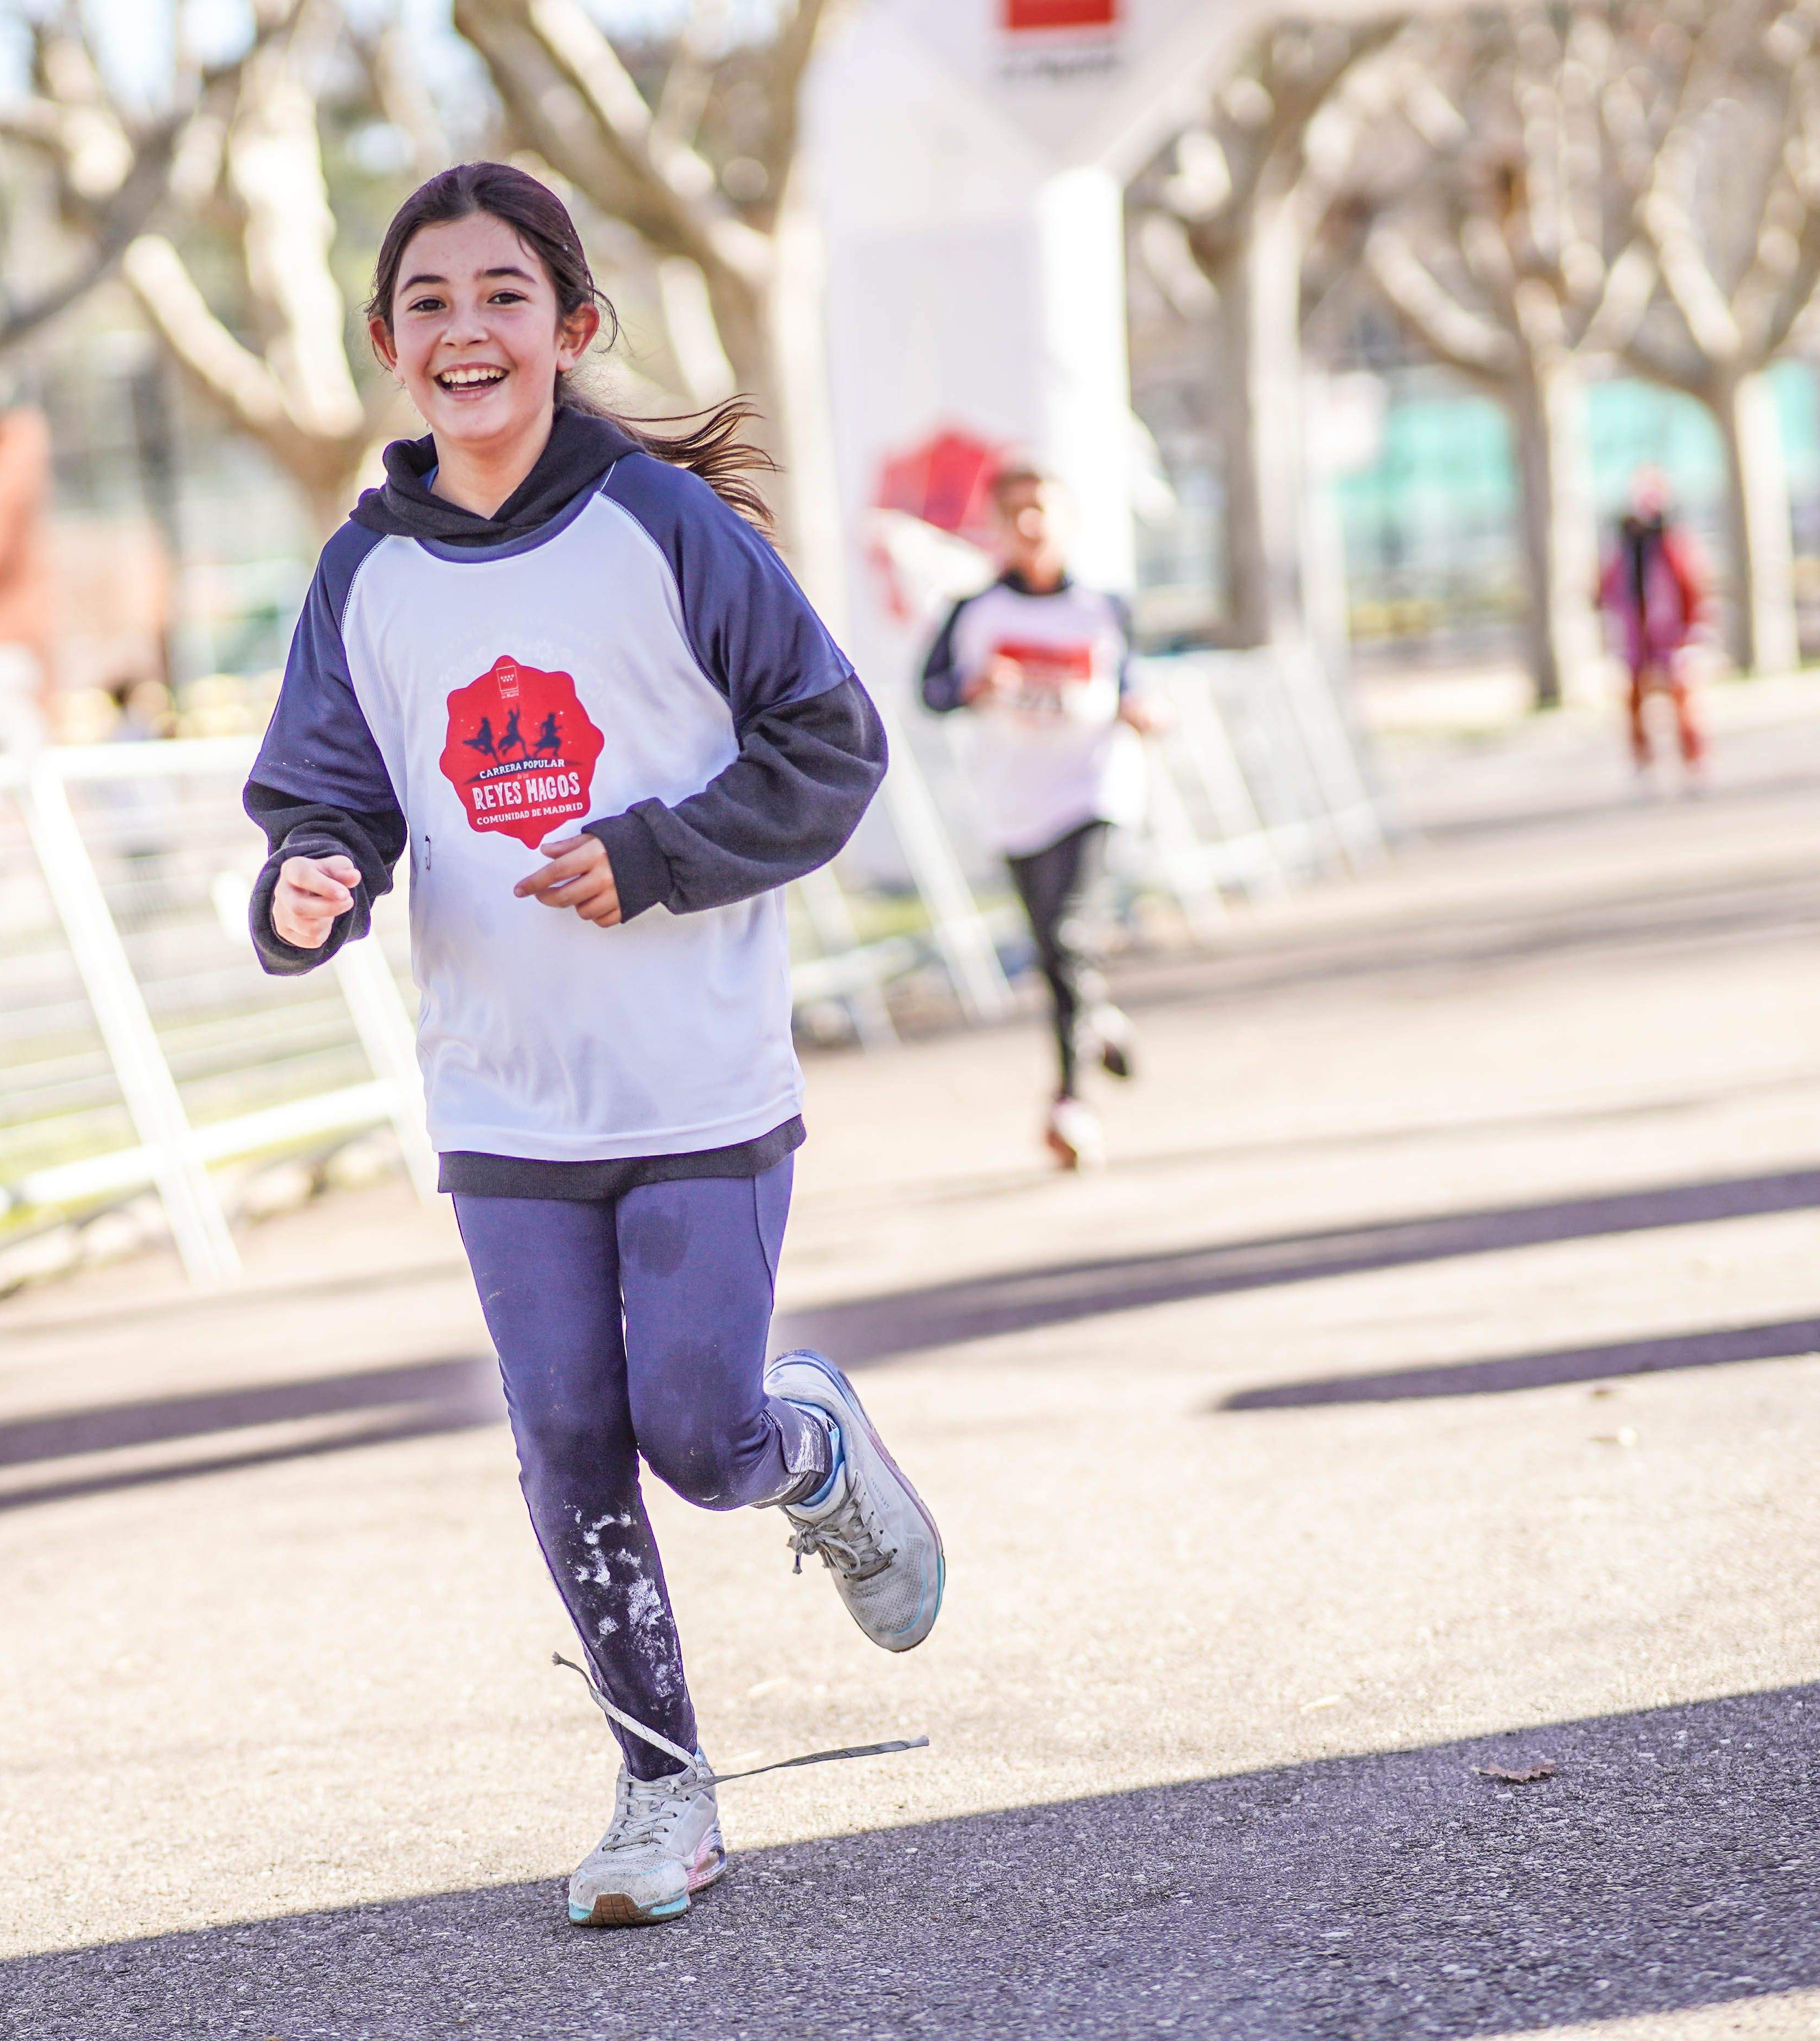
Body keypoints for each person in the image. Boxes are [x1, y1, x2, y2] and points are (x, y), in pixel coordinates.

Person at [244, 162, 945, 1930]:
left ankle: (812, 1446)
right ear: (391, 348)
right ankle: (661, 1793)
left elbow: (831, 747)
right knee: (566, 1437)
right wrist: (309, 882)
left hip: (695, 1076)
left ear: (569, 330)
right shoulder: (368, 576)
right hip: (501, 1093)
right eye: (425, 302)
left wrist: (648, 858)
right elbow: (327, 800)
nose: (462, 329)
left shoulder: (662, 528)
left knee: (693, 1432)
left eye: (499, 296)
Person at [917, 462, 1149, 1172]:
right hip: (1014, 798)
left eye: (1041, 510)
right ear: (996, 526)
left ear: (1066, 521)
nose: (1029, 524)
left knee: (1067, 932)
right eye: (1014, 511)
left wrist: (1144, 710)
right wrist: (974, 684)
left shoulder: (1103, 608)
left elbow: (1131, 684)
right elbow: (931, 691)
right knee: (1055, 948)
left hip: (1091, 789)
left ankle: (1070, 1103)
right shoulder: (974, 612)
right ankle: (1097, 1018)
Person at [1602, 468, 1711, 781]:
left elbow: (1692, 585)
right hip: (1638, 634)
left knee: (1682, 696)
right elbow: (1611, 586)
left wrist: (1693, 629)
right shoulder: (1625, 547)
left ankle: (1693, 758)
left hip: (1670, 633)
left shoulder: (1674, 544)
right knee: (1635, 698)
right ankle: (1643, 759)